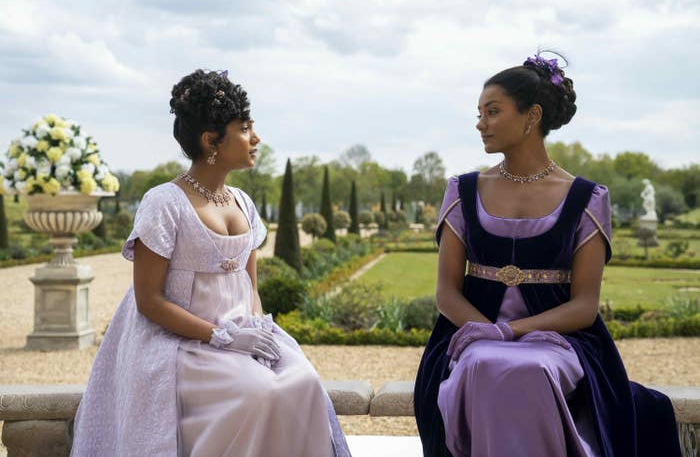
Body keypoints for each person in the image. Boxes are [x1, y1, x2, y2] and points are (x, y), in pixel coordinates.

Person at [71, 69, 350, 457]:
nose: (256, 138)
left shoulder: (244, 203)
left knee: (303, 380)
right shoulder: (164, 203)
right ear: (210, 141)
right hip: (181, 343)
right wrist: (221, 337)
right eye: (245, 128)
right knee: (259, 392)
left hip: (242, 334)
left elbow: (250, 286)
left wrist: (255, 329)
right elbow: (149, 300)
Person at [413, 53, 682, 457]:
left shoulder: (587, 198)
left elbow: (584, 307)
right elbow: (446, 294)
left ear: (531, 116)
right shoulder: (463, 191)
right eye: (479, 113)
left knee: (530, 368)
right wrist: (488, 332)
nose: (480, 123)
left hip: (561, 340)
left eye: (492, 111)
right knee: (485, 363)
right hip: (470, 334)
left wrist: (510, 332)